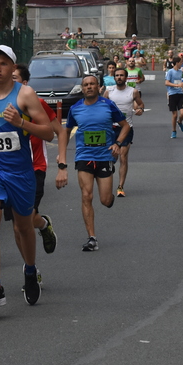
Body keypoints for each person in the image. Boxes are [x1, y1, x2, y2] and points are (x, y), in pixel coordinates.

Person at [0, 45, 54, 309]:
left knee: (23, 227)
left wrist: (21, 123)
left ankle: (30, 270)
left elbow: (49, 132)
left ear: (13, 67)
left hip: (20, 172)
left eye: (2, 64)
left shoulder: (25, 94)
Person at [58, 74, 128, 251]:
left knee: (105, 200)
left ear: (98, 87)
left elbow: (125, 126)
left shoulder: (108, 105)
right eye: (86, 84)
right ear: (82, 88)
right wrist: (62, 156)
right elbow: (66, 131)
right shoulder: (75, 108)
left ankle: (110, 198)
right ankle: (92, 238)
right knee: (86, 195)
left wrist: (118, 143)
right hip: (84, 156)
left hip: (104, 156)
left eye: (92, 84)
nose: (89, 87)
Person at [11, 64, 67, 256]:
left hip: (35, 168)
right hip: (9, 170)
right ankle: (29, 266)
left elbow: (60, 132)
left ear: (25, 83)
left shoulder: (37, 103)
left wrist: (62, 165)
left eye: (15, 78)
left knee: (26, 220)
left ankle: (42, 225)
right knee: (17, 226)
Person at [104, 67, 144, 197]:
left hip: (126, 128)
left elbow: (140, 104)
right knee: (112, 156)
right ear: (114, 77)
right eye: (117, 75)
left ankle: (120, 186)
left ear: (126, 78)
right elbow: (101, 106)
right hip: (111, 128)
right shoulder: (109, 91)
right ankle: (111, 166)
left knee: (123, 156)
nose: (119, 77)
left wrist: (140, 110)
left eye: (121, 75)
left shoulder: (133, 92)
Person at [165, 57, 183, 139]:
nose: (182, 63)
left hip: (180, 94)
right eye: (181, 62)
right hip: (172, 94)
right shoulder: (170, 72)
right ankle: (174, 131)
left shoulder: (181, 72)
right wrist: (177, 85)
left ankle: (179, 122)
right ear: (177, 63)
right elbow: (166, 83)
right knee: (175, 115)